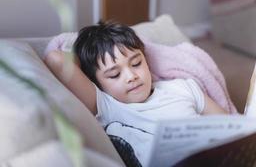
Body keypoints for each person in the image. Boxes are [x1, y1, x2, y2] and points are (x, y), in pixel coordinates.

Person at [44, 20, 228, 166]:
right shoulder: (107, 106)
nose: (131, 76)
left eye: (136, 63)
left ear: (146, 60)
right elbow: (56, 60)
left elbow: (231, 126)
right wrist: (90, 53)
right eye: (115, 74)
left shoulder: (183, 87)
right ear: (96, 82)